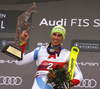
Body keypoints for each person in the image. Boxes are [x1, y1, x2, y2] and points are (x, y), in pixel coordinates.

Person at [16, 25, 83, 89]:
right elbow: (20, 62)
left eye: (59, 35)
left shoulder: (68, 54)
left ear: (63, 37)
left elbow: (79, 75)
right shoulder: (40, 50)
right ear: (51, 35)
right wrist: (22, 43)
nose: (56, 38)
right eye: (54, 34)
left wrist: (69, 83)